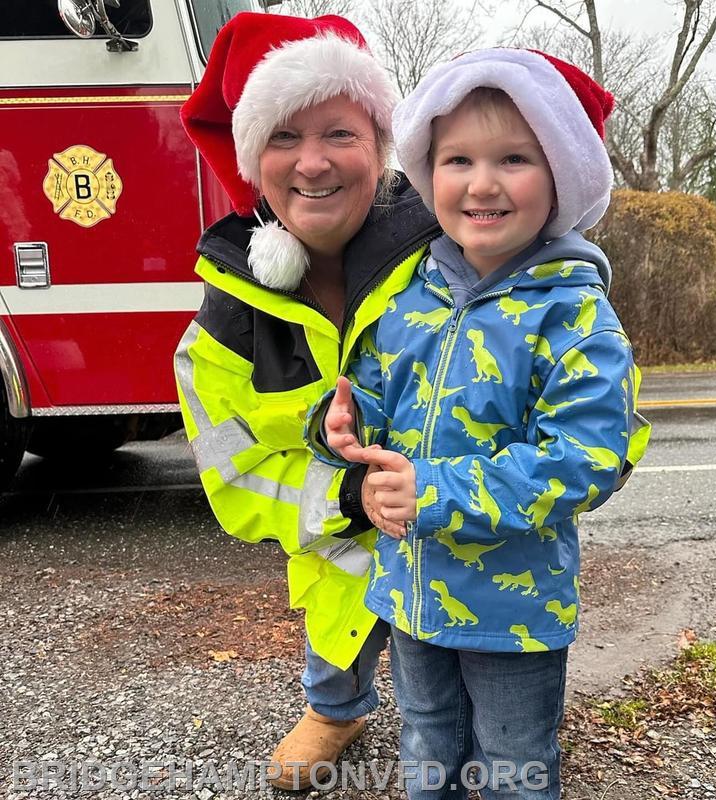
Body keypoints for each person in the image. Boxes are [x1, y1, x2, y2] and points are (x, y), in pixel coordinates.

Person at [307, 48, 650, 799]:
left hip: (513, 610)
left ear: (563, 175)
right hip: (409, 592)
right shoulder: (412, 296)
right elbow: (370, 397)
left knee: (513, 763)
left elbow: (583, 461)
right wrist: (339, 423)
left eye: (515, 158)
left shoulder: (577, 316)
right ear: (432, 176)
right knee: (427, 740)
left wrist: (432, 493)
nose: (483, 182)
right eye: (458, 158)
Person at [174, 12, 439, 791]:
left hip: (455, 539)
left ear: (383, 149)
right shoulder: (223, 315)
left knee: (467, 704)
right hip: (335, 543)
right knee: (337, 614)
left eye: (340, 134)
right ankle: (336, 706)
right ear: (253, 161)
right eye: (283, 138)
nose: (312, 162)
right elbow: (231, 474)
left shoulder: (457, 254)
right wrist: (350, 495)